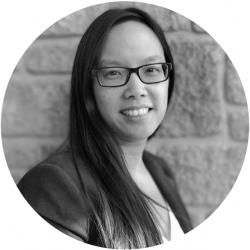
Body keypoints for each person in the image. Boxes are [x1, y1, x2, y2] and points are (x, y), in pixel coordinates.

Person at [18, 7, 193, 248]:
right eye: (113, 73)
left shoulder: (159, 170)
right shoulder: (53, 185)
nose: (137, 89)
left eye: (151, 69)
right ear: (89, 88)